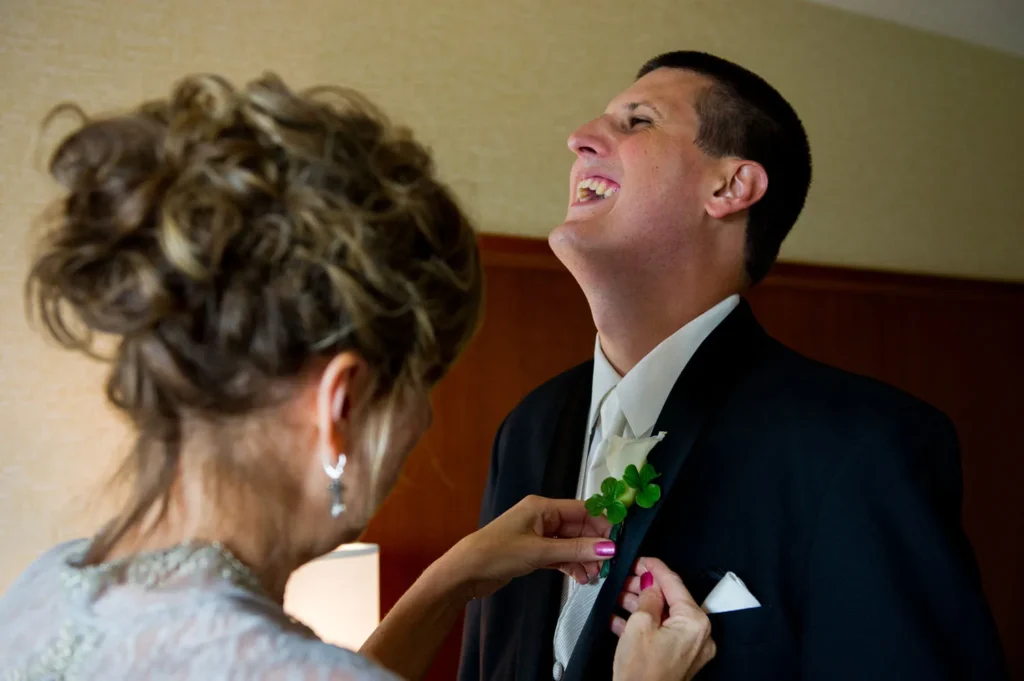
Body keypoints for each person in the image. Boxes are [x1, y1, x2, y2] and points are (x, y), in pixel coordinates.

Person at [0, 73, 716, 681]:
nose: (425, 424)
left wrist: (449, 579)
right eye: (421, 388)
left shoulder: (47, 585)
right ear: (340, 406)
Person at [458, 51, 1007, 681]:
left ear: (730, 187)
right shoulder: (526, 429)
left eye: (636, 122)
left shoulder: (862, 448)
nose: (578, 138)